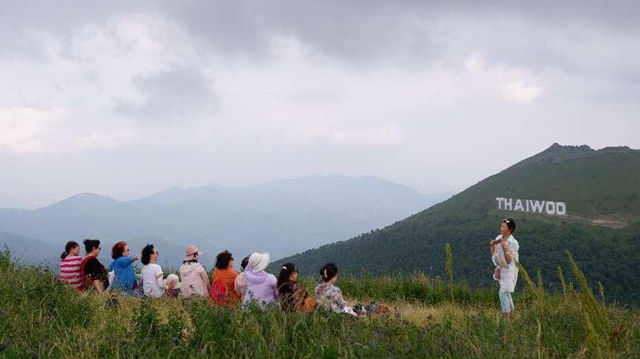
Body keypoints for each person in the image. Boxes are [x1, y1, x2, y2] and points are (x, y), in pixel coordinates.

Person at [490, 218, 520, 319]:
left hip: (510, 270)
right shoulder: (499, 237)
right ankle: (512, 315)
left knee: (502, 293)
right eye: (501, 226)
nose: (501, 228)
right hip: (502, 269)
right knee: (506, 293)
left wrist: (505, 246)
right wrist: (492, 246)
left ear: (510, 229)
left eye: (504, 226)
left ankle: (506, 317)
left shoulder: (514, 243)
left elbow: (510, 260)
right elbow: (495, 255)